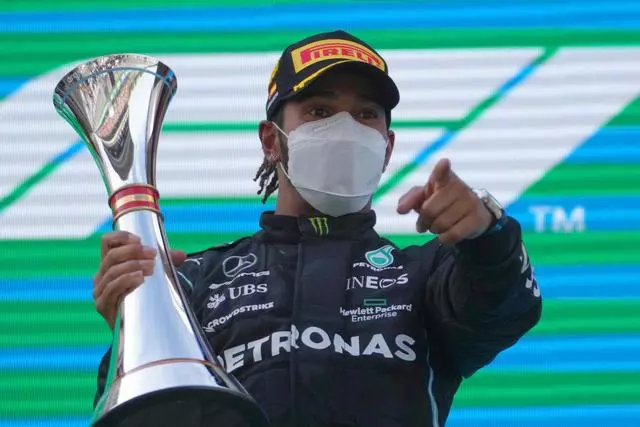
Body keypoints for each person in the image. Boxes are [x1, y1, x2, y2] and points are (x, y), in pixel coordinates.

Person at [92, 30, 542, 427]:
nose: (345, 128)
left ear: (387, 148)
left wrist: (488, 236)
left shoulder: (423, 273)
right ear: (271, 140)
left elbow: (502, 309)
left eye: (366, 114)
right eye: (320, 110)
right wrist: (141, 329)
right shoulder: (196, 283)